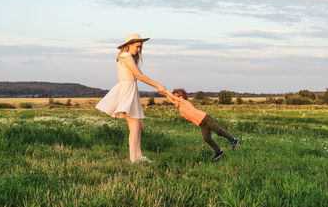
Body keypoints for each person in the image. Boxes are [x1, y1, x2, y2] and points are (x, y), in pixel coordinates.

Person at [95, 33, 166, 163]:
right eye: (137, 46)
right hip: (127, 91)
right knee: (134, 128)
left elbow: (138, 76)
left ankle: (138, 156)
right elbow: (139, 75)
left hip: (132, 90)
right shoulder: (126, 56)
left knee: (138, 125)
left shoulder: (129, 57)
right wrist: (158, 85)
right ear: (129, 45)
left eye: (140, 47)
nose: (138, 50)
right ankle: (133, 161)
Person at [165, 89, 239, 160]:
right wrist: (164, 93)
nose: (175, 99)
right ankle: (218, 151)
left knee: (218, 131)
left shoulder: (184, 102)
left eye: (176, 96)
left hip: (206, 119)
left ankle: (233, 140)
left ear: (181, 96)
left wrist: (166, 92)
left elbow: (173, 98)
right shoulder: (180, 107)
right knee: (206, 138)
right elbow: (172, 100)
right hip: (201, 124)